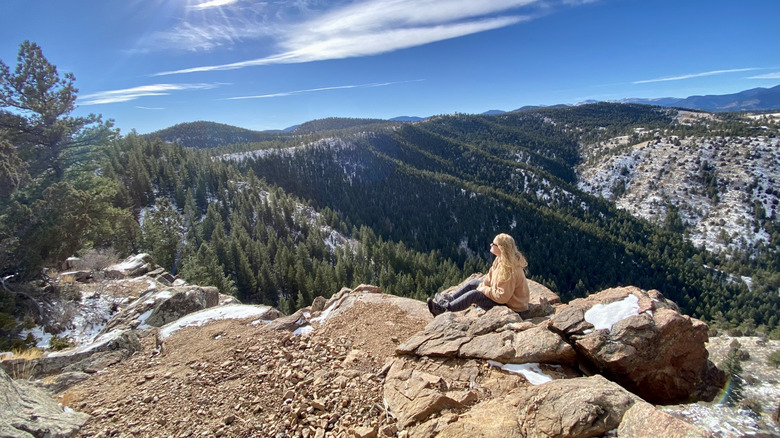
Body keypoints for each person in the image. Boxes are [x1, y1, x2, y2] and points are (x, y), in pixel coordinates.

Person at [427, 233, 530, 316]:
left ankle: (445, 309)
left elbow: (502, 297)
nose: (491, 245)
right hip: (504, 300)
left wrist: (483, 290)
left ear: (501, 248)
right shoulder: (500, 260)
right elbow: (488, 279)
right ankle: (450, 299)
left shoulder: (509, 269)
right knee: (474, 283)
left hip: (512, 308)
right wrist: (482, 286)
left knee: (475, 294)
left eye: (493, 244)